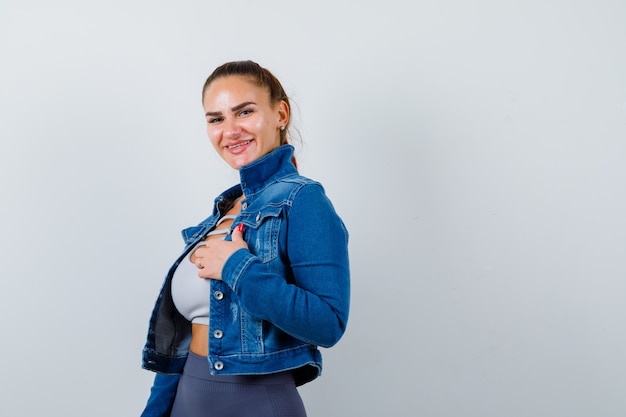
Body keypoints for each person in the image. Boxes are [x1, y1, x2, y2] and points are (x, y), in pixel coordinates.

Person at [139, 60, 350, 417]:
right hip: (186, 400)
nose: (231, 130)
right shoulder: (222, 211)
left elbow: (327, 323)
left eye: (245, 112)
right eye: (216, 119)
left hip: (258, 405)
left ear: (280, 113)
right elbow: (182, 339)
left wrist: (236, 266)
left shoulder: (302, 200)